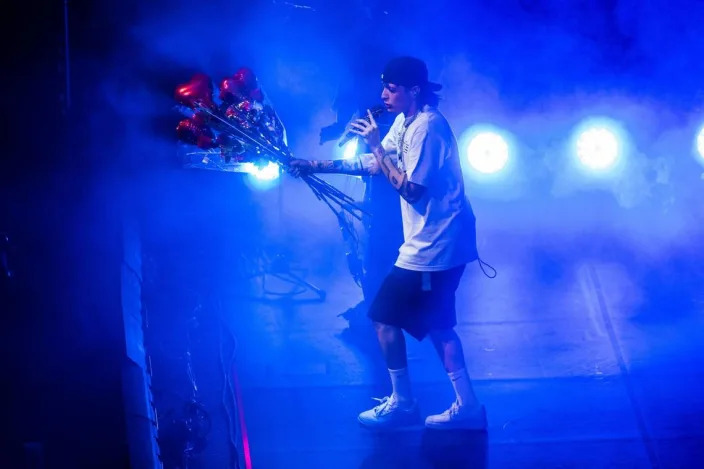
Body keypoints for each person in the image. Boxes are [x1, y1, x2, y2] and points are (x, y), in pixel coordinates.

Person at [291, 56, 485, 431]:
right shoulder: (406, 121)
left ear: (414, 90)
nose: (384, 95)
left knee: (387, 317)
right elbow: (372, 164)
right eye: (384, 87)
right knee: (436, 325)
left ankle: (407, 403)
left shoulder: (428, 129)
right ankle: (464, 405)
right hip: (433, 243)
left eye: (392, 88)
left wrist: (378, 146)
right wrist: (312, 165)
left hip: (436, 247)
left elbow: (411, 190)